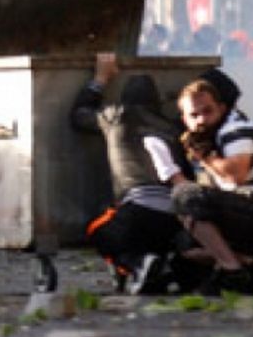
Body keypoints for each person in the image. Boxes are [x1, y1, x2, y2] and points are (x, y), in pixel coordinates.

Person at [70, 53, 193, 294]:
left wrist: (100, 80)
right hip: (173, 218)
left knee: (97, 229)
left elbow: (79, 115)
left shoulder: (116, 116)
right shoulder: (172, 126)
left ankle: (136, 265)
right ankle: (158, 265)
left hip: (135, 213)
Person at [172, 78, 253, 293]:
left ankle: (233, 270)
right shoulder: (206, 138)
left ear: (221, 109)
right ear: (184, 119)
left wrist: (205, 158)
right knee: (184, 243)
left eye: (208, 111)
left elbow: (235, 176)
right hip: (243, 216)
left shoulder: (235, 128)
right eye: (194, 115)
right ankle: (247, 263)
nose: (202, 120)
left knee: (185, 196)